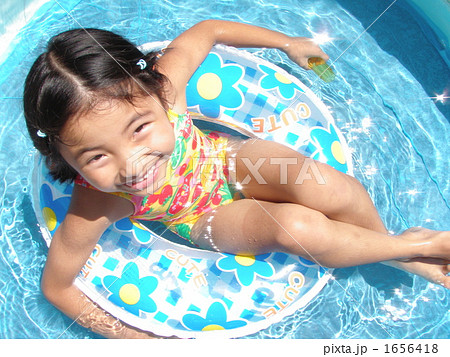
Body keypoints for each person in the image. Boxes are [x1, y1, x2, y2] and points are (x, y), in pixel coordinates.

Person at [24, 20, 450, 338]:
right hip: (204, 219)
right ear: (62, 157)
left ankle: (390, 249)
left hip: (228, 160)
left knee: (328, 186)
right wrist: (137, 340)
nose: (133, 164)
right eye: (96, 156)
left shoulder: (168, 86)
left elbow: (207, 31)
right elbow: (57, 288)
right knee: (297, 228)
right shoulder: (95, 202)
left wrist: (287, 44)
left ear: (153, 89)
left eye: (138, 128)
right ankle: (416, 244)